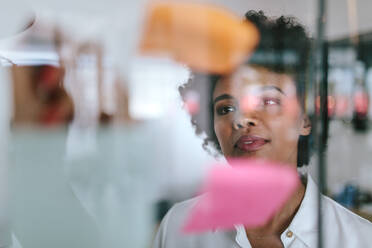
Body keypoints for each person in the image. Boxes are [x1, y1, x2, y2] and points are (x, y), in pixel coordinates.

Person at [153, 10, 372, 248]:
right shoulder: (178, 227)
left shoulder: (359, 239)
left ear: (305, 120)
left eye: (268, 101)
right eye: (226, 109)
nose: (242, 119)